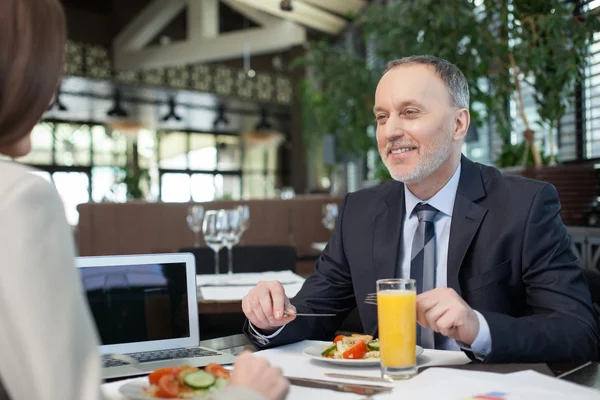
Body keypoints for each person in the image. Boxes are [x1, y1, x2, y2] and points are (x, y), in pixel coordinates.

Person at [0, 1, 288, 399]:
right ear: (17, 70)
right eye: (53, 68)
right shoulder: (19, 197)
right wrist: (242, 394)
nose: (52, 92)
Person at [242, 55, 600, 363]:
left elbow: (577, 330)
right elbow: (312, 314)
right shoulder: (360, 211)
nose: (391, 131)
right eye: (382, 117)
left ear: (459, 124)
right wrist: (269, 318)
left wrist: (478, 328)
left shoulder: (524, 206)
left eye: (409, 112)